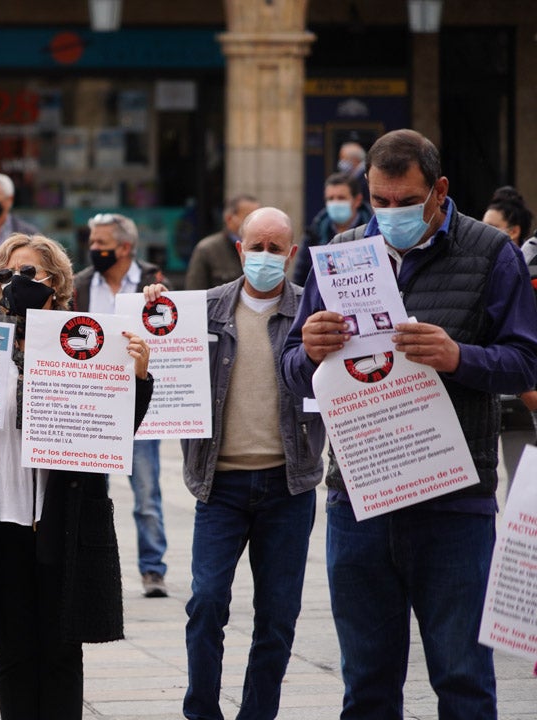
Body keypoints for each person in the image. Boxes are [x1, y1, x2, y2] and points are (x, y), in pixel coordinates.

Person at [281, 128, 537, 719]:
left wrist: (459, 356)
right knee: (366, 685)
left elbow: (525, 361)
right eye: (379, 201)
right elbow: (292, 373)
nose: (388, 214)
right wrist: (310, 350)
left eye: (405, 201)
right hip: (360, 499)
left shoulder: (490, 254)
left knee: (463, 680)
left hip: (454, 502)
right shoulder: (342, 254)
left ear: (439, 191)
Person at [0, 232, 155, 720]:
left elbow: (116, 430)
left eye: (28, 273)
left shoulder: (86, 339)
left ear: (56, 282)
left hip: (62, 515)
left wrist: (139, 377)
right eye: (6, 275)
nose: (14, 283)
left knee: (62, 647)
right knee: (14, 650)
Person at [181, 207, 326, 720]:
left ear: (291, 253)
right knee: (205, 604)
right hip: (219, 485)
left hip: (289, 487)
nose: (265, 256)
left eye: (275, 248)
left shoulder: (314, 311)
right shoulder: (204, 309)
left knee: (278, 617)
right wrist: (153, 311)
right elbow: (155, 350)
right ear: (239, 250)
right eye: (255, 246)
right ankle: (201, 712)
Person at [72, 212, 171, 598]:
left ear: (126, 247)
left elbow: (171, 329)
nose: (93, 249)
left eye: (101, 244)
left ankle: (153, 569)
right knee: (89, 494)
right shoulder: (80, 284)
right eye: (92, 243)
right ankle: (86, 567)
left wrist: (161, 300)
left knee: (146, 493)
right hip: (93, 404)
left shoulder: (153, 280)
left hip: (138, 402)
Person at [481, 186, 537, 487]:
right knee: (524, 493)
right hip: (523, 402)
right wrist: (527, 390)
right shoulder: (527, 261)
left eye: (491, 228)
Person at [291, 173, 373, 285]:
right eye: (330, 198)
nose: (335, 203)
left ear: (357, 200)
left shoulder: (372, 232)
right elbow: (299, 279)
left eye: (341, 198)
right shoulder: (314, 233)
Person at [184, 195, 260, 290]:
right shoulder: (207, 249)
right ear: (229, 219)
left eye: (258, 217)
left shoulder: (264, 248)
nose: (255, 223)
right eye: (249, 217)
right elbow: (195, 292)